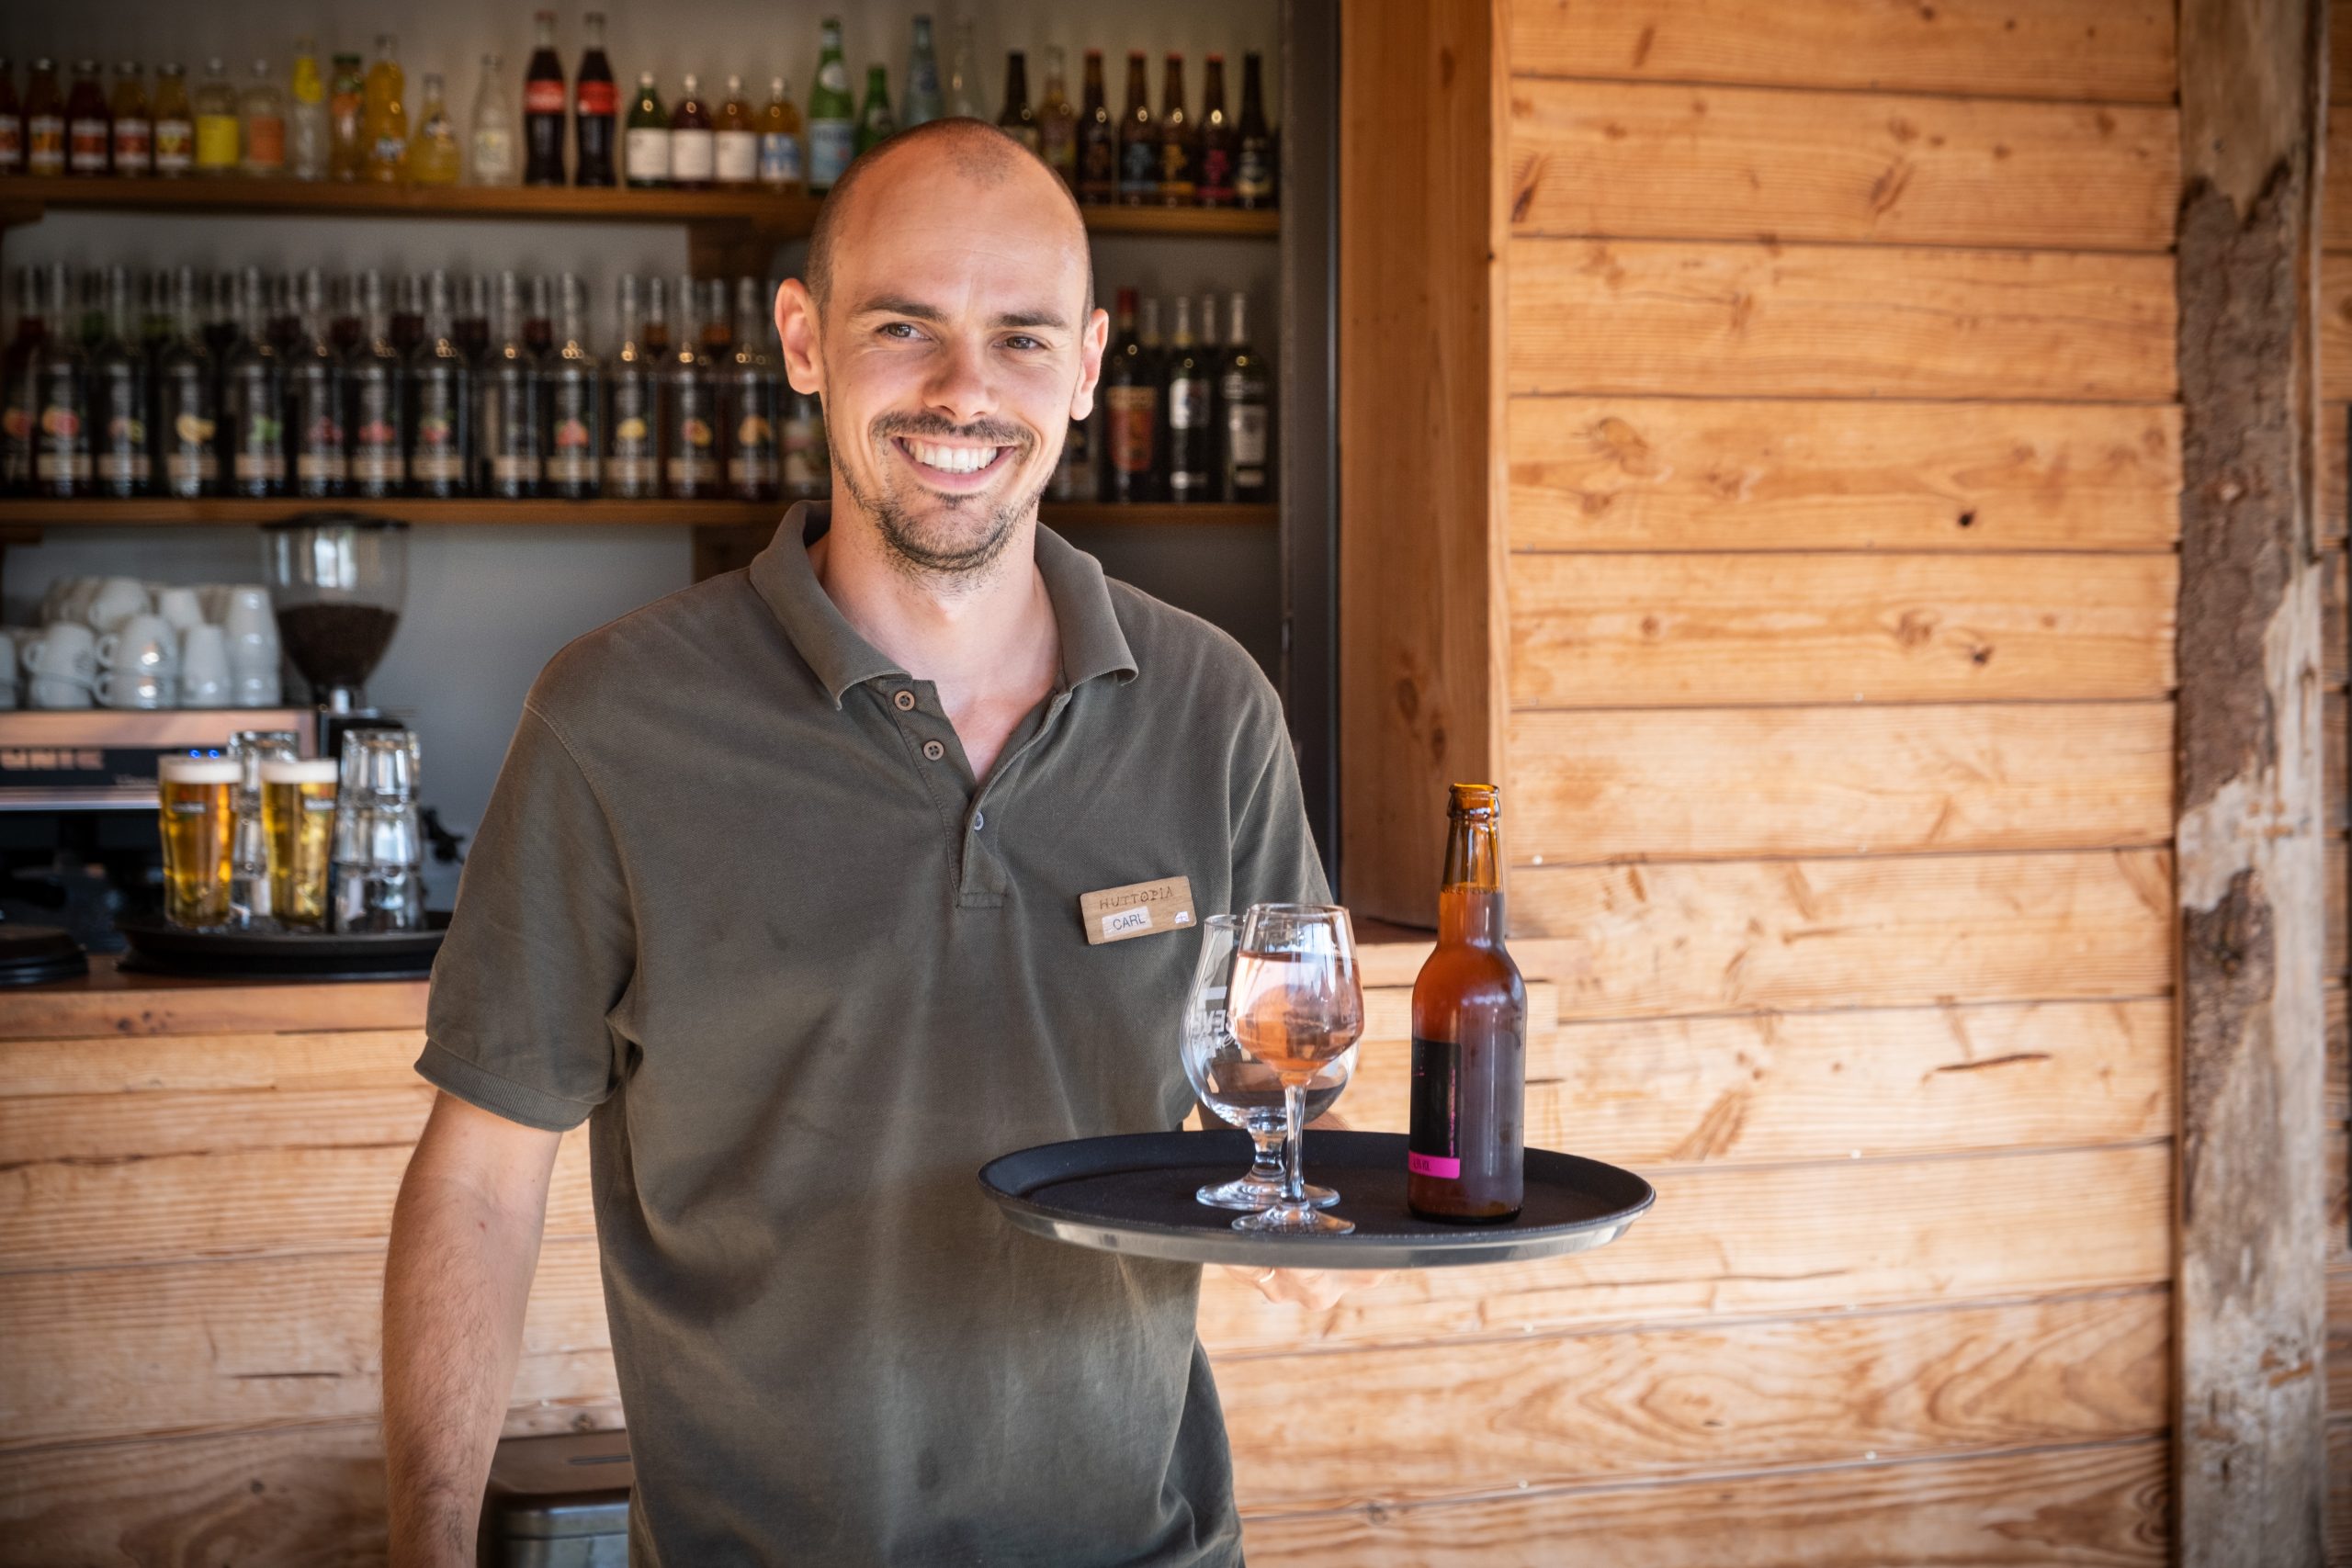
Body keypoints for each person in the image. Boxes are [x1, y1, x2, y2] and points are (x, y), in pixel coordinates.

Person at [380, 118, 1364, 1566]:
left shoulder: (1210, 707)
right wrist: (425, 1551)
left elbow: (1287, 1095)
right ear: (803, 338)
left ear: (1090, 366)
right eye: (906, 326)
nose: (966, 391)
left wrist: (1313, 1197)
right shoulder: (617, 717)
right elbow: (479, 1176)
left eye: (1022, 339)